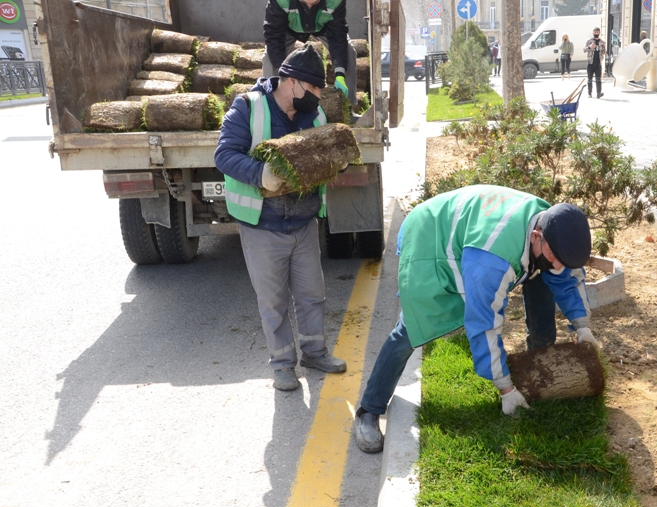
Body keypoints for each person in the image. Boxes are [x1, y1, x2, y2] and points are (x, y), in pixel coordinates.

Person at [353, 185, 598, 453]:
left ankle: (538, 372)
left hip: (479, 236)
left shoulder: (554, 226)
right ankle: (369, 408)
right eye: (554, 257)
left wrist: (582, 326)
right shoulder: (493, 260)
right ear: (536, 236)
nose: (559, 265)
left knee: (546, 275)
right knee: (412, 328)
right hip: (430, 236)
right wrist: (505, 388)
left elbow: (568, 277)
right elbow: (484, 325)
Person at [214, 45, 347, 392]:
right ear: (290, 81)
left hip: (303, 222)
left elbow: (322, 156)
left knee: (312, 294)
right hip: (263, 225)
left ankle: (315, 353)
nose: (317, 95)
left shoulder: (314, 114)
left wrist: (337, 161)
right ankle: (283, 365)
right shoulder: (248, 107)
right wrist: (261, 175)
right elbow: (224, 154)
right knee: (273, 302)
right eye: (313, 87)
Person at [262, 0, 358, 109]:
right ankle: (270, 106)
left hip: (324, 27)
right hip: (287, 28)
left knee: (348, 50)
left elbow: (338, 36)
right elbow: (273, 35)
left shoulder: (336, 1)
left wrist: (340, 74)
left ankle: (349, 107)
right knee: (269, 58)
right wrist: (282, 71)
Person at [584, 26, 606, 98]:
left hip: (598, 63)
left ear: (599, 33)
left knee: (598, 79)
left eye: (597, 32)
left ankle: (598, 93)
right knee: (590, 79)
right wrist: (590, 47)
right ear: (593, 32)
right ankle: (589, 93)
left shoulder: (602, 42)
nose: (596, 33)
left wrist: (603, 53)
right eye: (595, 32)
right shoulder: (589, 41)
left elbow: (603, 51)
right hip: (590, 62)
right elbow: (584, 50)